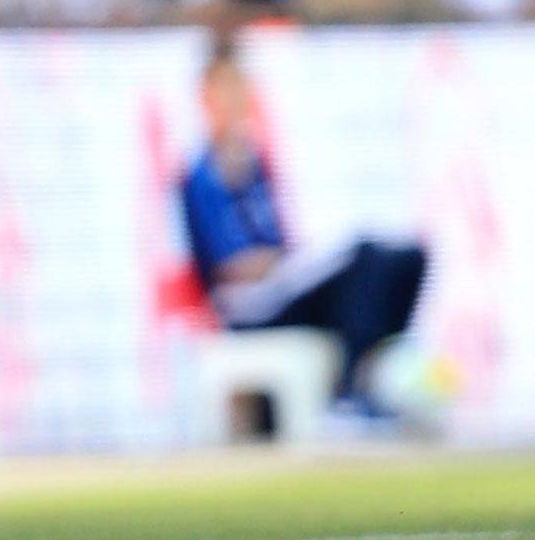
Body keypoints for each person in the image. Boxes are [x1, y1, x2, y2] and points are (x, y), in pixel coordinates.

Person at [179, 45, 427, 414]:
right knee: (361, 257)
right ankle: (352, 389)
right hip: (250, 305)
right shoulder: (203, 177)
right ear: (207, 97)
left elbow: (280, 242)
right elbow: (232, 266)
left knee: (407, 259)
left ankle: (376, 367)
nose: (236, 99)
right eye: (226, 89)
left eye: (240, 87)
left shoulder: (255, 162)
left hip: (281, 285)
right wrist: (280, 261)